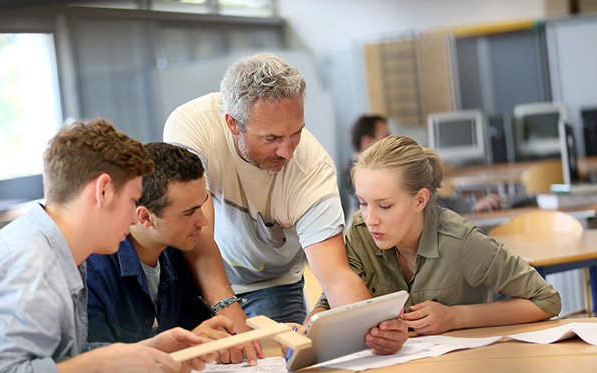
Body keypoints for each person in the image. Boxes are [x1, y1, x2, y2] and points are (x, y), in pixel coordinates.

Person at [164, 53, 407, 354]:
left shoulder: (313, 170)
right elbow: (196, 232)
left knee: (286, 364)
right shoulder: (192, 126)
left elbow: (336, 275)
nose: (288, 151)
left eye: (297, 133)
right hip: (200, 275)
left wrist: (370, 332)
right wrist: (229, 310)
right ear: (232, 124)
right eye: (272, 138)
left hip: (272, 281)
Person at [0, 119, 219, 373]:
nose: (134, 219)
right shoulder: (30, 264)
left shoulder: (59, 251)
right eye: (131, 201)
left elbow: (61, 361)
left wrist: (150, 351)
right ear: (102, 191)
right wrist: (98, 366)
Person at [315, 135, 561, 335]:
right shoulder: (360, 234)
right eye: (363, 203)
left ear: (420, 200)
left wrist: (456, 317)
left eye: (385, 206)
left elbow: (546, 300)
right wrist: (308, 329)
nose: (370, 220)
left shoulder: (461, 242)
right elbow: (329, 303)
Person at [86, 141, 257, 365]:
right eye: (189, 213)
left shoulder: (182, 252)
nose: (203, 222)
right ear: (145, 217)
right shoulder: (90, 271)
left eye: (201, 206)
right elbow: (90, 366)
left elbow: (203, 336)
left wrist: (218, 342)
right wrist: (180, 348)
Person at [348, 114, 505, 213]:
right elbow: (430, 205)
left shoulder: (380, 174)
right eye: (386, 136)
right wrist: (471, 206)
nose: (390, 141)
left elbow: (431, 202)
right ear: (367, 142)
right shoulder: (368, 181)